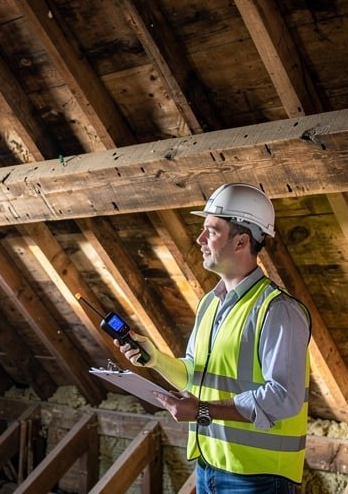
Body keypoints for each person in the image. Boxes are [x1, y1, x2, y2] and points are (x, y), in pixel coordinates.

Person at [117, 183, 311, 493]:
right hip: (209, 466)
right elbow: (194, 374)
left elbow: (283, 397)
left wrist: (203, 411)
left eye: (212, 230)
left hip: (257, 478)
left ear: (241, 242)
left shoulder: (278, 310)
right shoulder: (210, 302)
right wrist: (155, 359)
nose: (200, 239)